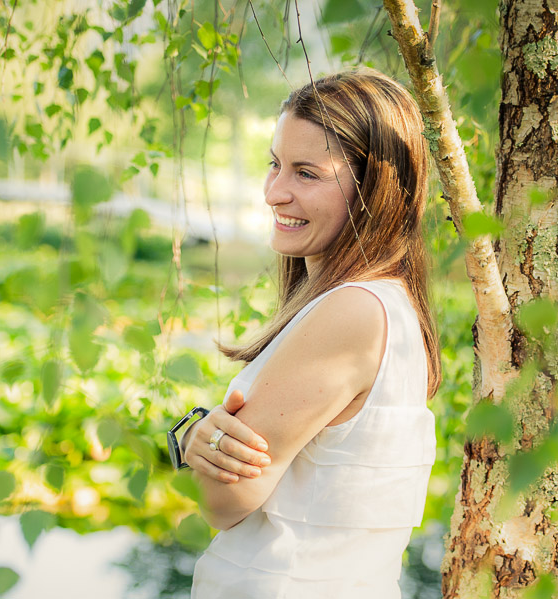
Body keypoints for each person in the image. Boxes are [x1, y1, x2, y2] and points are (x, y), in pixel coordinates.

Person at [174, 67, 441, 598]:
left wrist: (199, 451)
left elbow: (225, 502)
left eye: (307, 173)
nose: (274, 192)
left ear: (374, 190)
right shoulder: (388, 306)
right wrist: (203, 439)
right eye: (275, 165)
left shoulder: (354, 313)